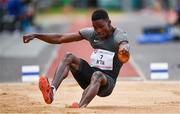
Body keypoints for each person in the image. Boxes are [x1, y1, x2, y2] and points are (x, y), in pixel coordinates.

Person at [23, 9, 130, 108]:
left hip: (107, 84)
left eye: (101, 26)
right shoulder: (92, 33)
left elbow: (123, 44)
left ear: (109, 22)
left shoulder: (118, 34)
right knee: (68, 57)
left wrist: (123, 50)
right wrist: (36, 35)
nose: (98, 30)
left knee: (97, 75)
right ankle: (51, 91)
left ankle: (80, 107)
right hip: (90, 77)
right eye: (95, 27)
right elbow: (60, 38)